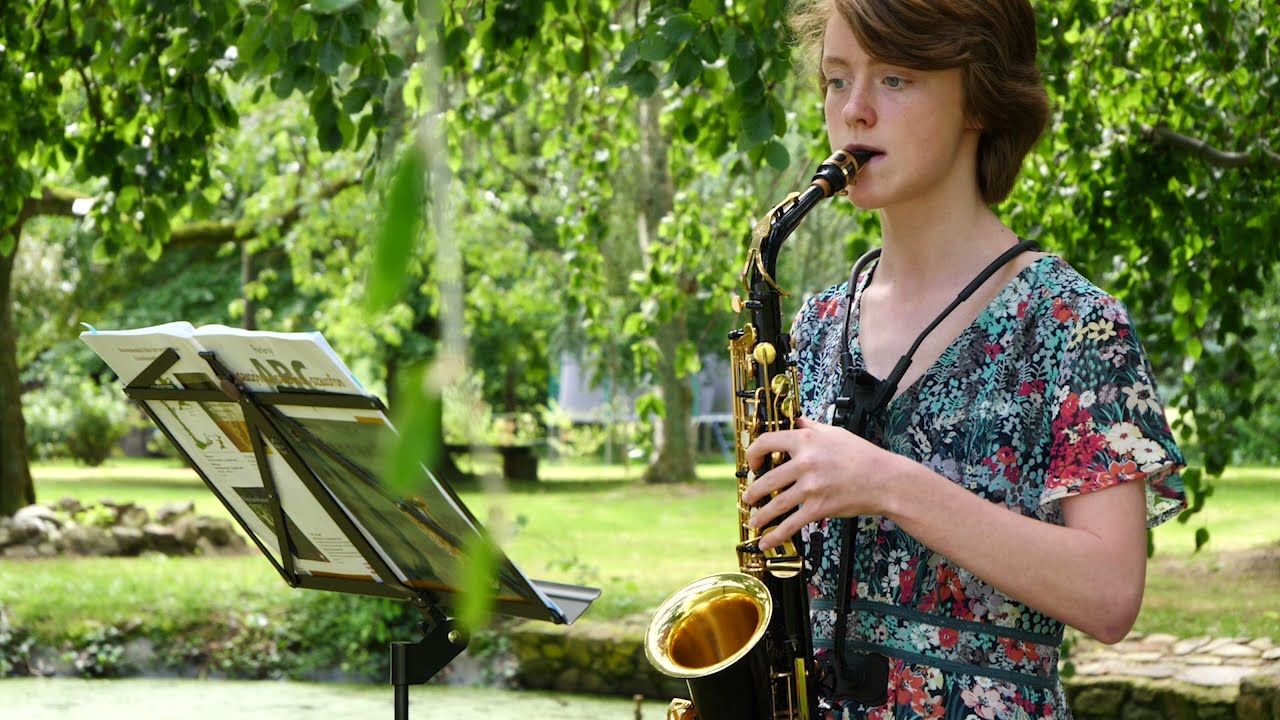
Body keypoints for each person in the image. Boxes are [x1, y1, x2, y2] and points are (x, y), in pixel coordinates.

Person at [739, 1, 1188, 718]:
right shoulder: (818, 322)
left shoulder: (1073, 323)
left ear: (979, 95)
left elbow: (1110, 595)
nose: (852, 111)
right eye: (835, 79)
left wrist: (888, 484)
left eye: (894, 79)